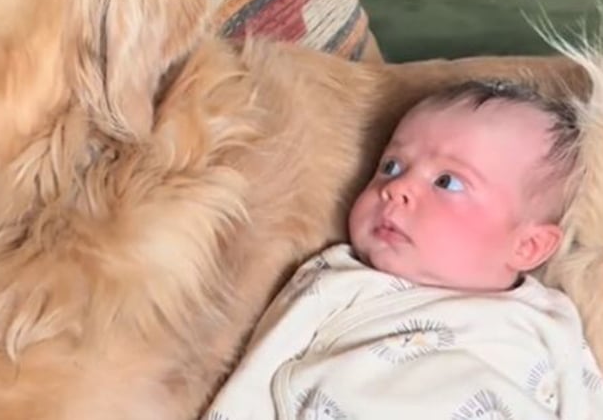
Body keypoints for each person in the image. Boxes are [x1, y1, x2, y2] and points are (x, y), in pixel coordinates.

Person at [205, 80, 603, 420]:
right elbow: (257, 377)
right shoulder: (337, 282)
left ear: (528, 246)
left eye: (447, 182)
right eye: (391, 166)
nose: (396, 188)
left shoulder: (550, 317)